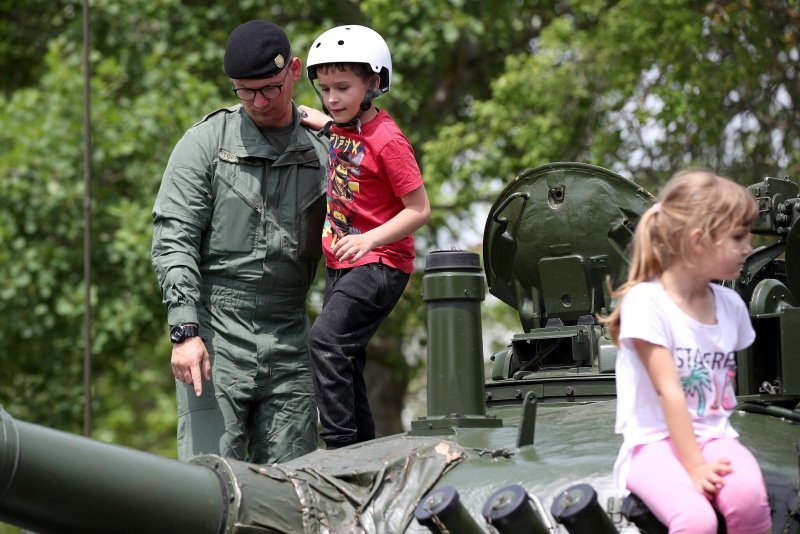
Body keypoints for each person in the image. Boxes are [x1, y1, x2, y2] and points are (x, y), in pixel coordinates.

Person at [151, 20, 329, 464]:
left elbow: (388, 188)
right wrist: (184, 329)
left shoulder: (324, 151)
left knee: (293, 492)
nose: (259, 102)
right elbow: (174, 238)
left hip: (290, 336)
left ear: (293, 70)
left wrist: (345, 133)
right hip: (215, 338)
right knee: (208, 489)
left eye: (269, 88)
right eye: (244, 92)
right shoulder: (206, 144)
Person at [601, 171, 771, 533]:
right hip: (653, 444)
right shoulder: (647, 302)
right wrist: (695, 468)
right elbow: (669, 390)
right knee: (696, 520)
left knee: (748, 498)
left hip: (714, 435)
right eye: (739, 237)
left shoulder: (730, 306)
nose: (748, 248)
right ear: (698, 241)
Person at [298, 25, 431, 449]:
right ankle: (361, 450)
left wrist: (370, 240)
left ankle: (337, 450)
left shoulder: (389, 141)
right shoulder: (342, 125)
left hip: (380, 263)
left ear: (373, 84)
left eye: (342, 87)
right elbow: (336, 130)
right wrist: (311, 117)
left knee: (325, 341)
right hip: (344, 263)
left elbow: (420, 210)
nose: (332, 98)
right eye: (324, 89)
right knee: (347, 359)